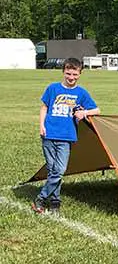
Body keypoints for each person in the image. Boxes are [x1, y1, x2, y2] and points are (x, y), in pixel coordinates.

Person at [32, 57, 100, 214]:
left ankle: (41, 199)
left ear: (80, 74)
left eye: (75, 74)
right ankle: (55, 202)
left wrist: (84, 112)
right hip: (49, 135)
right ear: (63, 72)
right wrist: (41, 125)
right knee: (52, 170)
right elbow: (44, 108)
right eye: (68, 74)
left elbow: (97, 110)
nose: (71, 77)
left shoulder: (81, 93)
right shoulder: (53, 88)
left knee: (59, 170)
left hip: (66, 137)